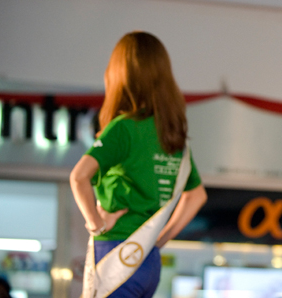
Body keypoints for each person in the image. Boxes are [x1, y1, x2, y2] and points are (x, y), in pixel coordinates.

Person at [70, 31, 207, 298]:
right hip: (148, 261)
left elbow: (78, 177)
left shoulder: (124, 128)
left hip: (115, 255)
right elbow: (197, 196)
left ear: (120, 74)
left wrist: (95, 224)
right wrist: (159, 239)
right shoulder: (173, 137)